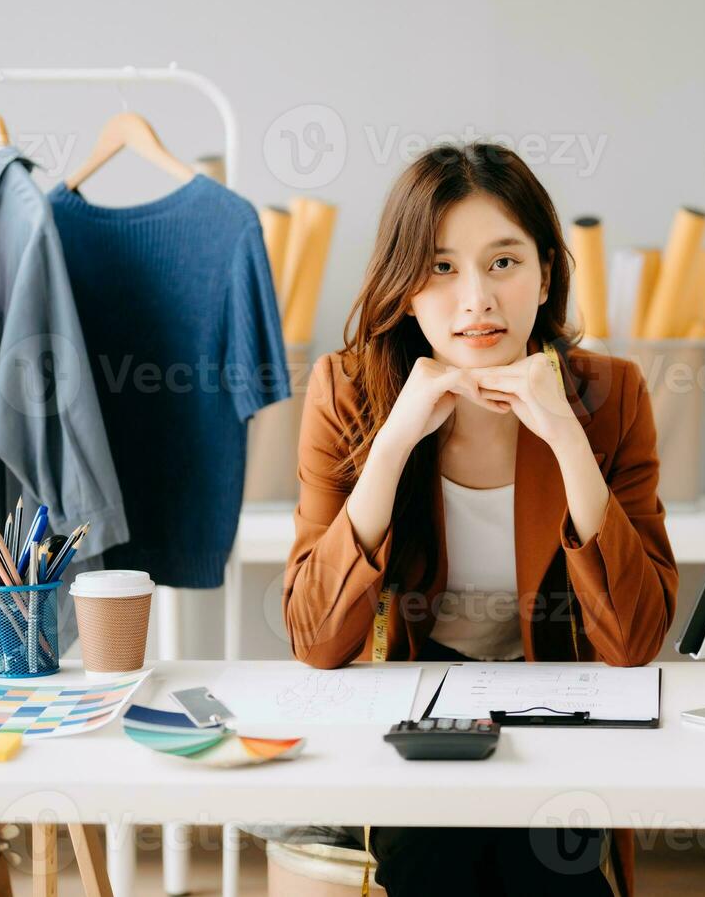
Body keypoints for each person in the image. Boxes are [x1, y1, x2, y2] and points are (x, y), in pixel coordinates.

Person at [282, 142, 680, 895]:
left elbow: (632, 642)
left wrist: (564, 434)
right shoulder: (346, 391)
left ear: (545, 274)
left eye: (503, 262)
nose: (476, 299)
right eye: (440, 268)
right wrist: (395, 440)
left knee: (548, 870)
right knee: (435, 861)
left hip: (558, 701)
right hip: (421, 712)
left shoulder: (610, 394)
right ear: (402, 288)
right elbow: (314, 635)